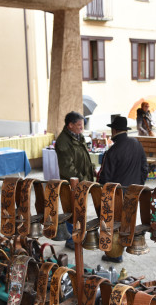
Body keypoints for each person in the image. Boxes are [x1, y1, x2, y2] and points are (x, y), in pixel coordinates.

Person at [97, 115, 149, 263]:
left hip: (116, 196)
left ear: (114, 130)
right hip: (134, 192)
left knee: (113, 225)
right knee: (128, 221)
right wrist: (137, 186)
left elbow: (105, 178)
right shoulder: (137, 144)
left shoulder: (113, 151)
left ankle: (115, 254)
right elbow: (144, 168)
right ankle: (128, 246)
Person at [55, 111, 95, 249]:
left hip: (81, 182)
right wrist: (83, 179)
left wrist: (91, 171)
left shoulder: (78, 136)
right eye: (79, 125)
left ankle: (78, 235)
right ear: (70, 125)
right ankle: (71, 240)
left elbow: (83, 156)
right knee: (72, 211)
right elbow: (67, 167)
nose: (81, 128)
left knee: (80, 210)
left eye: (82, 125)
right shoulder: (63, 142)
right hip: (71, 184)